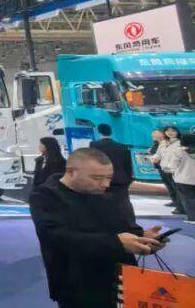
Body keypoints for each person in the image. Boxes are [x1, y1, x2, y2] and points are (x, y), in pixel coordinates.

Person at [29, 147, 166, 307]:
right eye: (97, 178)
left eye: (109, 177)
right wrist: (117, 242)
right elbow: (56, 238)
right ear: (71, 172)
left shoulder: (108, 193)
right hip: (76, 284)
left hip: (120, 279)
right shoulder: (45, 196)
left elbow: (124, 226)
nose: (105, 184)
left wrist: (143, 238)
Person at [88, 123, 134, 218]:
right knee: (122, 206)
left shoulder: (94, 145)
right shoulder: (122, 147)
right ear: (111, 132)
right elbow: (128, 166)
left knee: (101, 206)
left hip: (100, 180)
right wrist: (128, 180)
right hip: (119, 180)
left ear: (99, 132)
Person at [162, 133, 195, 223]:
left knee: (188, 199)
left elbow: (172, 165)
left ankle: (192, 218)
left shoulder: (179, 151)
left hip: (183, 179)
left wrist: (167, 168)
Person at [150, 126, 183, 214]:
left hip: (175, 170)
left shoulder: (180, 142)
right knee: (171, 188)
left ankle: (181, 208)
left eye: (173, 131)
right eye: (167, 131)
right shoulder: (163, 142)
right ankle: (176, 204)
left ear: (177, 132)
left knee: (178, 189)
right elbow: (158, 154)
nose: (170, 132)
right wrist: (154, 158)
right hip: (164, 169)